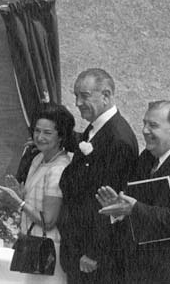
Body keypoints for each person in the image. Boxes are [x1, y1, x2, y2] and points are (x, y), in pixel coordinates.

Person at [97, 100, 170, 283]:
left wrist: (134, 209)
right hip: (143, 271)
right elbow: (133, 202)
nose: (145, 130)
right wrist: (117, 210)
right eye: (144, 123)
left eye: (153, 125)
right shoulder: (147, 158)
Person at [58, 68, 138, 283]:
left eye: (84, 96)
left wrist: (94, 252)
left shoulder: (118, 139)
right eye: (76, 96)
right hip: (77, 247)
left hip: (95, 260)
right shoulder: (94, 131)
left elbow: (110, 203)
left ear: (106, 95)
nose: (77, 103)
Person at [0, 103, 74, 282]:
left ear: (61, 136)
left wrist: (19, 203)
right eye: (37, 131)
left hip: (48, 249)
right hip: (31, 244)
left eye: (47, 133)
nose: (40, 137)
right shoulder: (38, 158)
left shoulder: (59, 169)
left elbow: (48, 220)